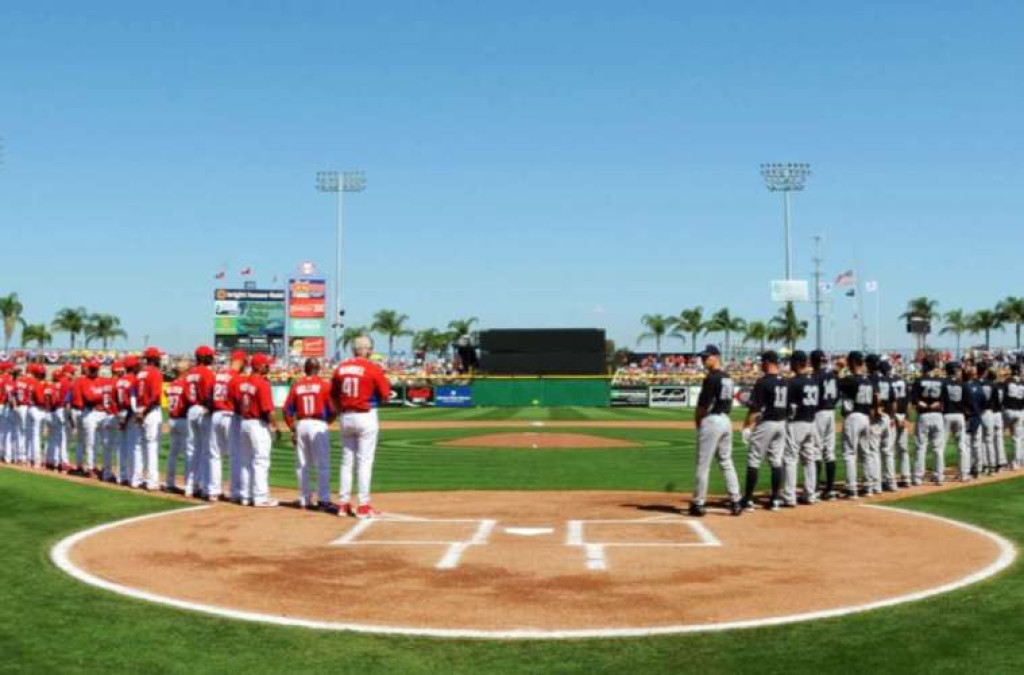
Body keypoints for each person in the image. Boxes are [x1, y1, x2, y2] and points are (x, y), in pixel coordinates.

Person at [331, 335, 393, 518]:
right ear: (368, 350)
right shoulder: (372, 368)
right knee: (364, 462)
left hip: (346, 416)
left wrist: (340, 409)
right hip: (366, 415)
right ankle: (363, 505)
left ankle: (343, 504)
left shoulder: (341, 368)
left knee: (346, 461)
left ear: (353, 349)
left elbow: (332, 394)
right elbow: (386, 394)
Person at [688, 344, 743, 517]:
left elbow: (702, 406)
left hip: (712, 421)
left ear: (716, 357)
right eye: (703, 357)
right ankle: (735, 501)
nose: (704, 360)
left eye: (707, 357)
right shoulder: (728, 377)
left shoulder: (711, 378)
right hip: (726, 420)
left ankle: (698, 503)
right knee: (726, 461)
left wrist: (698, 423)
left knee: (703, 464)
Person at [739, 351, 789, 511]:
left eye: (762, 361)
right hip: (782, 423)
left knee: (754, 459)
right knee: (776, 460)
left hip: (767, 423)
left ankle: (748, 499)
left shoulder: (763, 382)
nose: (760, 364)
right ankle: (775, 499)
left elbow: (754, 409)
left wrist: (747, 426)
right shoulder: (785, 382)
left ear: (768, 362)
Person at [284, 358, 336, 510]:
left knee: (302, 464)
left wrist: (293, 429)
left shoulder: (297, 386)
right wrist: (326, 423)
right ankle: (323, 500)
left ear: (305, 369)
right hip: (318, 423)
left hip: (301, 424)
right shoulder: (323, 385)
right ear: (318, 369)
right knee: (322, 463)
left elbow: (287, 411)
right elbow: (333, 410)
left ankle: (304, 499)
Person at [236, 352, 281, 507]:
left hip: (244, 423)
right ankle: (260, 496)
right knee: (261, 461)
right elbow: (268, 410)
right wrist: (275, 426)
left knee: (245, 461)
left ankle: (245, 495)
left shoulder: (243, 383)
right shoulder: (262, 383)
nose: (268, 366)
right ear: (258, 366)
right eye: (265, 364)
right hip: (257, 424)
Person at [838, 351, 877, 498]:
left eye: (848, 361)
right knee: (865, 453)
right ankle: (868, 487)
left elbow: (832, 382)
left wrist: (839, 368)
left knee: (849, 453)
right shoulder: (867, 380)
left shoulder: (851, 379)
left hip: (853, 417)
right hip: (866, 417)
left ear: (853, 362)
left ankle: (851, 488)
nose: (847, 363)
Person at [211, 350, 247, 503]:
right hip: (229, 416)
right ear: (240, 362)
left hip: (215, 415)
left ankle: (213, 491)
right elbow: (239, 400)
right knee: (235, 455)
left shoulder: (218, 374)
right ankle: (235, 492)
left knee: (215, 454)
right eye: (245, 362)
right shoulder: (236, 378)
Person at [785, 350, 821, 505]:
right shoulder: (813, 381)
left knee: (791, 459)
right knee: (809, 459)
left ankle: (789, 497)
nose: (790, 364)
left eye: (792, 361)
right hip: (811, 421)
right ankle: (810, 494)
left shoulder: (793, 382)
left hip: (796, 422)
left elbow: (790, 406)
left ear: (797, 363)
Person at [184, 345, 217, 498]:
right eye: (210, 355)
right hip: (203, 410)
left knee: (192, 449)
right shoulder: (207, 372)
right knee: (205, 449)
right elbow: (209, 394)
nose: (212, 357)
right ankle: (204, 486)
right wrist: (210, 408)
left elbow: (185, 394)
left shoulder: (190, 372)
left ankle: (190, 486)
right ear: (203, 357)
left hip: (191, 409)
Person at [912, 358, 947, 485]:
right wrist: (935, 404)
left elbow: (914, 401)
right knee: (938, 448)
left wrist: (925, 405)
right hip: (937, 415)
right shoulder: (941, 381)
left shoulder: (919, 381)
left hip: (924, 415)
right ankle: (939, 476)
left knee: (921, 447)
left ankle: (918, 477)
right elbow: (944, 401)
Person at [811, 350, 839, 499]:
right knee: (829, 451)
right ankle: (830, 489)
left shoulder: (816, 376)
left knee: (816, 449)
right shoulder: (832, 375)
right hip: (831, 412)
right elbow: (837, 395)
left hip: (820, 412)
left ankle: (815, 488)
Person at [134, 347, 164, 490]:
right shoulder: (155, 372)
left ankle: (137, 479)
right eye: (158, 357)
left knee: (139, 446)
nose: (160, 359)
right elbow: (156, 396)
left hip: (140, 408)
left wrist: (138, 411)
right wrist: (145, 411)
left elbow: (135, 395)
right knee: (152, 446)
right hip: (150, 411)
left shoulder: (140, 373)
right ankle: (151, 481)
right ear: (154, 359)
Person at [866, 355, 896, 493]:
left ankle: (876, 485)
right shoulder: (887, 379)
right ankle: (891, 482)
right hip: (887, 417)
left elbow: (875, 396)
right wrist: (891, 417)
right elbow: (893, 401)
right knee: (888, 452)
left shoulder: (870, 379)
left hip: (877, 418)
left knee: (874, 452)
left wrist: (876, 412)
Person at [72, 360, 105, 477]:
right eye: (91, 368)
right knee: (89, 442)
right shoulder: (82, 381)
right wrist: (101, 395)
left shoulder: (102, 381)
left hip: (101, 413)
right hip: (88, 412)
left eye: (95, 369)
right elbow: (89, 397)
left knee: (99, 442)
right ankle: (90, 468)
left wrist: (99, 396)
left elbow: (106, 396)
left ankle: (96, 467)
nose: (93, 370)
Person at [164, 361, 190, 492]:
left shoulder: (171, 385)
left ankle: (169, 483)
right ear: (184, 371)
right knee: (187, 453)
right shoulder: (185, 384)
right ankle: (188, 485)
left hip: (172, 419)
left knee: (173, 453)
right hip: (183, 419)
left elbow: (166, 394)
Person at [886, 361, 912, 486]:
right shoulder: (903, 381)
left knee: (889, 449)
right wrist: (906, 418)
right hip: (903, 414)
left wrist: (894, 417)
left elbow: (892, 402)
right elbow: (908, 402)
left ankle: (890, 479)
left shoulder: (887, 382)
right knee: (903, 448)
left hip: (892, 416)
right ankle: (906, 477)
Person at [115, 357, 139, 486]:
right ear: (134, 367)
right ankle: (131, 477)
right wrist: (127, 417)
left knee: (121, 447)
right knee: (132, 446)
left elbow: (113, 399)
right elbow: (132, 402)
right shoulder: (133, 380)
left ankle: (121, 476)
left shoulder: (120, 381)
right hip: (129, 413)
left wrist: (119, 415)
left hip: (120, 411)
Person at [98, 363, 120, 482]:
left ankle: (106, 473)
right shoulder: (118, 383)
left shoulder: (106, 385)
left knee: (106, 447)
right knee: (118, 447)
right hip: (114, 416)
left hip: (104, 416)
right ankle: (120, 474)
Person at [1004, 363, 1024, 469]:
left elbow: (1002, 397)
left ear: (1012, 370)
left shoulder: (1007, 381)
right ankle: (1018, 462)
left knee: (996, 435)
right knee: (1018, 438)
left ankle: (1000, 461)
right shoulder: (1022, 382)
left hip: (1008, 411)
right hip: (1020, 412)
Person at [0, 361, 13, 463]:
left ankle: (1, 453)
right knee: (7, 431)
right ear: (7, 369)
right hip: (4, 405)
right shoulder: (7, 378)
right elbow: (9, 394)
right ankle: (7, 456)